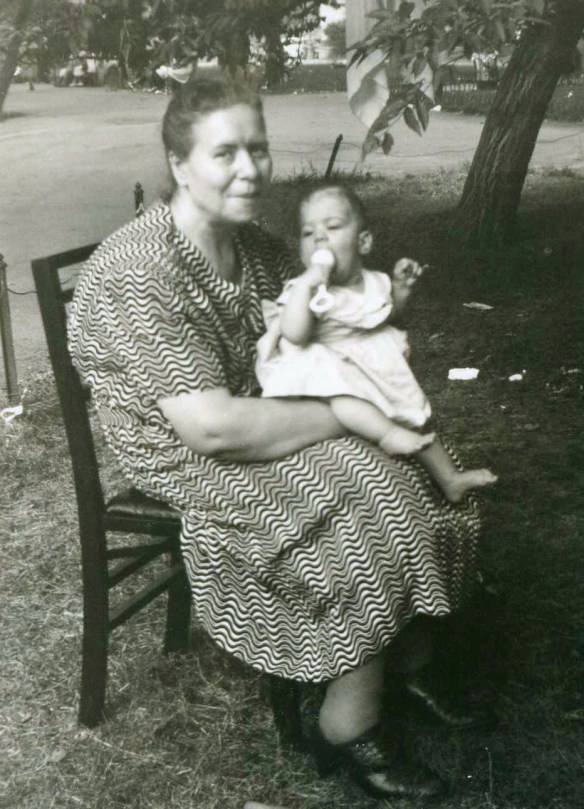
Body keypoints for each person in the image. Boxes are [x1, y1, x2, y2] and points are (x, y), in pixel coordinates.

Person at [69, 77, 487, 801]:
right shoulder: (141, 270)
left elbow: (320, 328)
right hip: (189, 448)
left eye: (257, 148)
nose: (251, 169)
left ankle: (405, 656)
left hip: (265, 409)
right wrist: (344, 408)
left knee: (408, 456)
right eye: (225, 152)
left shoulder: (253, 246)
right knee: (354, 499)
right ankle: (347, 720)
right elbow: (212, 427)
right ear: (179, 164)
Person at [256, 182, 498, 504]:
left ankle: (449, 478)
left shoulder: (373, 282)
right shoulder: (304, 289)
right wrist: (306, 287)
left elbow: (385, 316)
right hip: (325, 366)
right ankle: (387, 435)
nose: (319, 238)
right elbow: (295, 334)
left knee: (414, 410)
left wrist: (400, 289)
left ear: (364, 242)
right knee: (342, 395)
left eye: (332, 227)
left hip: (371, 360)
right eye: (307, 232)